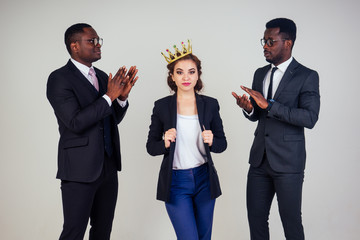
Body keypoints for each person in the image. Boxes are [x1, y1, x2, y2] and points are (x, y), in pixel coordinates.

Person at [46, 23, 138, 240]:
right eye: (92, 41)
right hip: (79, 169)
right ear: (75, 46)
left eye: (99, 41)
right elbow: (75, 122)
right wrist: (109, 96)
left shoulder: (103, 76)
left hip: (108, 167)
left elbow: (111, 118)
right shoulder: (59, 79)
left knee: (103, 231)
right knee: (74, 232)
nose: (98, 45)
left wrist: (121, 98)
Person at [232, 18, 320, 240]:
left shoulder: (307, 76)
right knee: (256, 220)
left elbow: (309, 117)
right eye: (264, 40)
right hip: (259, 161)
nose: (265, 46)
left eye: (271, 41)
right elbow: (259, 115)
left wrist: (270, 105)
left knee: (291, 223)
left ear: (287, 43)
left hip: (289, 163)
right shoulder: (260, 73)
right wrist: (249, 109)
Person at [146, 40, 227, 240]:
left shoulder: (210, 104)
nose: (186, 77)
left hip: (204, 179)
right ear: (172, 77)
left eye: (191, 71)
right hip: (176, 182)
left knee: (204, 237)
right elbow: (151, 147)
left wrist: (212, 140)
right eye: (180, 72)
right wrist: (164, 142)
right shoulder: (162, 106)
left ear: (198, 74)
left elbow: (222, 144)